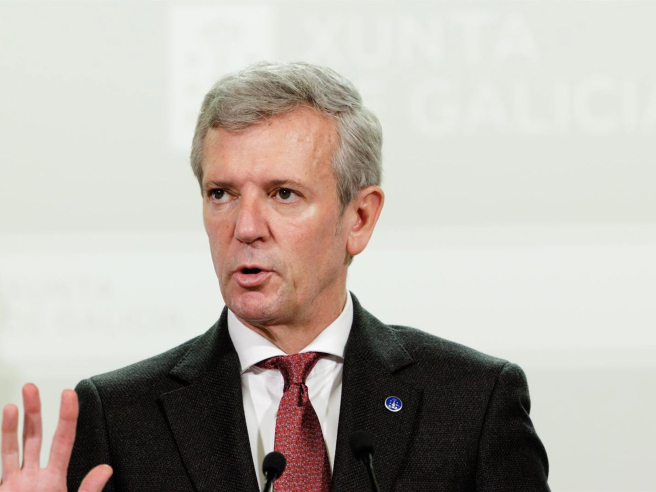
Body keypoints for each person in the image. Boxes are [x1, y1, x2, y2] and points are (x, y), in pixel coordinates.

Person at [0, 62, 550, 492]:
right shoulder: (120, 416)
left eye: (283, 194)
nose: (244, 227)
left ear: (359, 218)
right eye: (221, 194)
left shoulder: (471, 402)